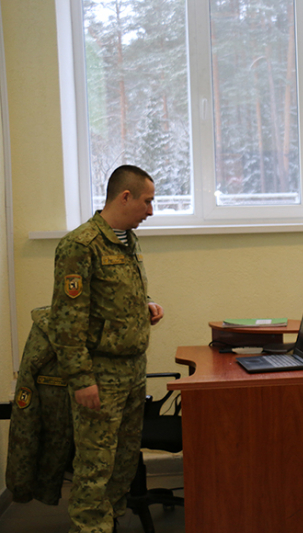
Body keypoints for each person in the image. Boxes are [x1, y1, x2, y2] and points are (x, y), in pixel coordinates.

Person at [49, 165, 164, 533]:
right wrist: (81, 379)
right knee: (95, 464)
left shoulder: (128, 240)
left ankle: (108, 522)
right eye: (147, 201)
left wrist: (145, 305)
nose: (151, 210)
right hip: (100, 374)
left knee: (124, 461)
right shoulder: (80, 245)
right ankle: (88, 527)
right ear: (125, 197)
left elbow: (113, 293)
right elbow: (66, 320)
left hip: (132, 371)